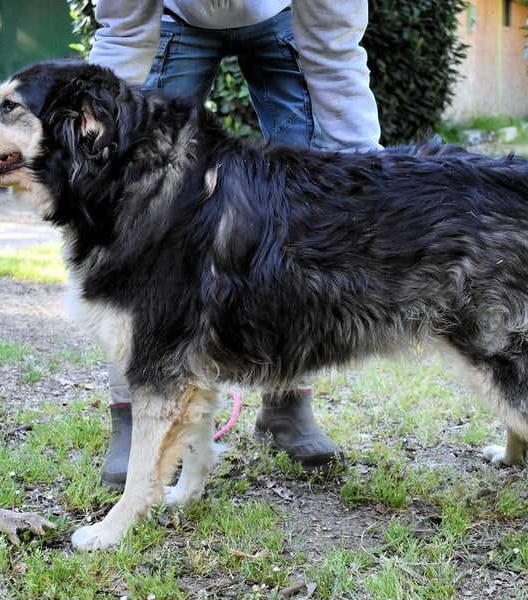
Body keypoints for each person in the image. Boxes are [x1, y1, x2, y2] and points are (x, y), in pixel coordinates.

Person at [89, 0, 382, 490]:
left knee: (305, 209)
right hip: (171, 16)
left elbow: (334, 52)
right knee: (135, 203)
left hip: (286, 14)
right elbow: (122, 35)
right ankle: (136, 414)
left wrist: (368, 178)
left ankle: (288, 400)